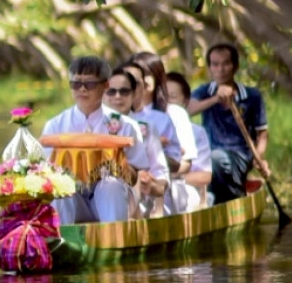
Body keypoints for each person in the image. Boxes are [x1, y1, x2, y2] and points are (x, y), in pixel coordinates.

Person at [41, 55, 157, 225]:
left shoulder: (126, 125)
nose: (82, 90)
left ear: (105, 85)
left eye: (89, 84)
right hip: (74, 198)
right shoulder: (55, 125)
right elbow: (44, 175)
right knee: (60, 189)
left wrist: (116, 167)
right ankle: (59, 242)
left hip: (112, 196)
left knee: (110, 185)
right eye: (76, 84)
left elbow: (134, 176)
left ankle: (114, 240)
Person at [190, 43, 270, 204]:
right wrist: (216, 99)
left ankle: (232, 197)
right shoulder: (205, 92)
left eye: (226, 64)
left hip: (240, 156)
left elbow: (262, 134)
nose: (221, 69)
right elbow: (188, 109)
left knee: (216, 159)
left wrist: (259, 157)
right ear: (210, 68)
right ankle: (221, 197)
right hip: (210, 155)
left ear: (235, 66)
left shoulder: (252, 96)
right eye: (215, 64)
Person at [107, 66, 172, 215]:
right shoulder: (93, 127)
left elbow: (161, 178)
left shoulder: (146, 128)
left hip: (140, 205)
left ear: (134, 93)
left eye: (124, 91)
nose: (117, 96)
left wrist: (150, 184)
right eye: (111, 91)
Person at [159, 70, 213, 211]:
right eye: (162, 96)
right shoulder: (149, 125)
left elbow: (205, 176)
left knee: (175, 191)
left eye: (172, 97)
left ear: (185, 101)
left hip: (186, 190)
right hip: (157, 189)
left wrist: (171, 177)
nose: (166, 103)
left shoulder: (197, 132)